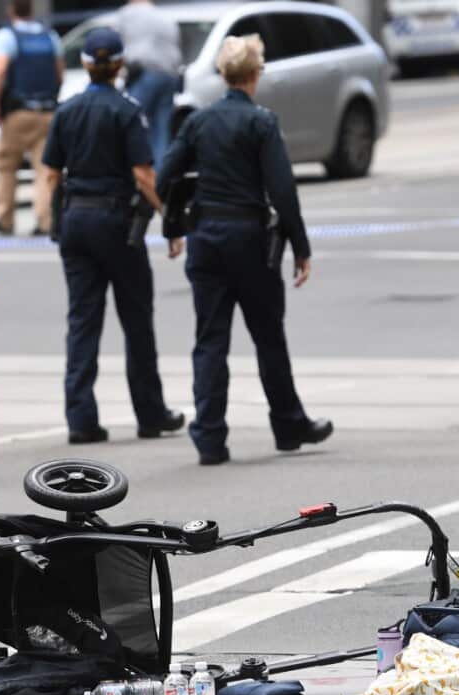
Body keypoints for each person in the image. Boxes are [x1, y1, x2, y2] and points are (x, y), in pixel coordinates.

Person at [157, 34, 333, 465]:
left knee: (210, 339)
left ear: (222, 73)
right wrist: (300, 247)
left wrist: (175, 224)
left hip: (206, 240)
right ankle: (289, 424)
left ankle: (210, 437)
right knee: (269, 336)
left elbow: (165, 176)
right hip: (250, 239)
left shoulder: (197, 122)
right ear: (255, 74)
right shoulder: (262, 122)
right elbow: (282, 190)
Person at [41, 28, 185, 445]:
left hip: (76, 222)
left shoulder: (67, 111)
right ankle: (150, 414)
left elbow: (51, 173)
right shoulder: (127, 110)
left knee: (82, 322)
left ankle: (81, 419)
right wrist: (170, 218)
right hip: (117, 225)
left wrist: (60, 218)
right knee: (136, 319)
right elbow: (143, 175)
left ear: (85, 64)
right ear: (120, 65)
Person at [0, 0, 63, 236]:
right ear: (31, 10)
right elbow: (59, 72)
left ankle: (5, 218)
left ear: (12, 10)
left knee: (6, 165)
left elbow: (0, 70)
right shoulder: (50, 36)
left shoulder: (6, 36)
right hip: (47, 110)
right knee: (44, 168)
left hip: (18, 112)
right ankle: (45, 221)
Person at [117, 0, 182, 167]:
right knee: (161, 131)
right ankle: (159, 181)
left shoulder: (128, 13)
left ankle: (135, 176)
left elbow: (116, 45)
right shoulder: (163, 15)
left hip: (144, 74)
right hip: (169, 75)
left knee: (130, 124)